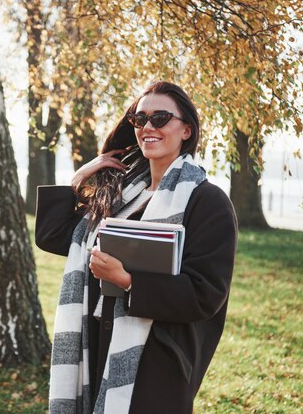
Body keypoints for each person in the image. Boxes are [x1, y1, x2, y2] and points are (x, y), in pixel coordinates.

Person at [36, 81, 238, 414]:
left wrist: (128, 280)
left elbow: (207, 293)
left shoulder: (206, 201)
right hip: (97, 347)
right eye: (139, 119)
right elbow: (53, 234)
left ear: (186, 129)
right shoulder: (120, 197)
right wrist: (80, 177)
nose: (148, 127)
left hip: (155, 360)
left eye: (160, 118)